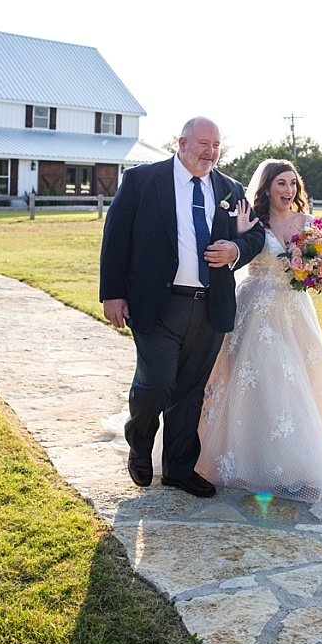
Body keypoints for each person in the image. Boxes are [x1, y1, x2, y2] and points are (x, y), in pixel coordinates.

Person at [100, 117, 266, 498]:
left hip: (210, 307)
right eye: (203, 143)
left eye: (216, 146)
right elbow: (116, 235)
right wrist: (112, 293)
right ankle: (140, 446)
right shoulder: (144, 181)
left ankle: (179, 468)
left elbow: (256, 233)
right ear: (182, 142)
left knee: (192, 393)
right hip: (158, 304)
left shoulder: (230, 188)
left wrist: (236, 249)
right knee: (155, 383)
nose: (210, 152)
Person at [194, 159, 322, 503]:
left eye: (292, 184)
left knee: (300, 379)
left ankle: (299, 462)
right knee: (260, 378)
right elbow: (236, 258)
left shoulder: (307, 222)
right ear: (268, 186)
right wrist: (240, 233)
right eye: (281, 184)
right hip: (255, 309)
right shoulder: (254, 220)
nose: (289, 191)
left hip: (294, 310)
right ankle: (250, 457)